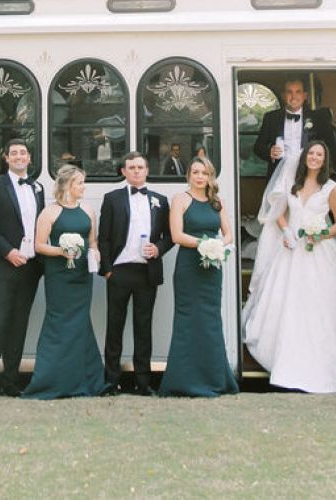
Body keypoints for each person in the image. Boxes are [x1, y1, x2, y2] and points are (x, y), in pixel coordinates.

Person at [244, 141, 336, 393]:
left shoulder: (331, 188)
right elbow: (279, 212)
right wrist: (287, 230)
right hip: (291, 251)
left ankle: (319, 365)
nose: (314, 158)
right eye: (311, 153)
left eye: (319, 154)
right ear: (304, 158)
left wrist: (320, 234)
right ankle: (286, 362)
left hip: (319, 253)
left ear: (325, 159)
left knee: (318, 307)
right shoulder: (294, 185)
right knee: (289, 305)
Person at [23, 165, 105, 399]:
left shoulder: (88, 210)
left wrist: (95, 253)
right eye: (80, 182)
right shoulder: (50, 212)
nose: (83, 186)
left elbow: (93, 242)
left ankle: (85, 379)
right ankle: (52, 379)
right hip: (59, 276)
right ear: (68, 185)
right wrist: (61, 251)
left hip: (81, 276)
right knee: (59, 323)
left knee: (80, 323)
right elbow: (39, 245)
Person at [160, 157, 238, 397]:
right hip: (189, 268)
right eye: (195, 172)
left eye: (204, 172)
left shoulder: (217, 202)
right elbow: (176, 235)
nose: (199, 176)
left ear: (210, 176)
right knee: (187, 320)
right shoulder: (181, 200)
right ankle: (183, 380)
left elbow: (228, 235)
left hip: (212, 269)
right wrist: (204, 244)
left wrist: (217, 245)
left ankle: (215, 378)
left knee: (210, 320)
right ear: (189, 175)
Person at [0, 139, 45, 401]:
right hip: (2, 267)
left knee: (18, 327)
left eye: (23, 153)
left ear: (29, 158)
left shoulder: (37, 188)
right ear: (6, 158)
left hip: (30, 268)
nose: (18, 157)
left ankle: (11, 382)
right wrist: (8, 252)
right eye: (13, 153)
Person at [98, 151, 172, 396]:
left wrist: (158, 248)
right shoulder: (112, 199)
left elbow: (170, 236)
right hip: (119, 272)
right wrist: (108, 270)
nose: (136, 171)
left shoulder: (160, 200)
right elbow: (104, 238)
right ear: (124, 172)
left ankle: (143, 383)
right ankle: (111, 382)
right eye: (131, 168)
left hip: (146, 273)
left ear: (147, 170)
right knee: (114, 327)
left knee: (144, 327)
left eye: (140, 167)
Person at [252, 77, 336, 182]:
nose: (294, 96)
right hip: (280, 176)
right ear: (283, 95)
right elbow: (258, 147)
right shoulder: (271, 118)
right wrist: (269, 152)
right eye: (289, 92)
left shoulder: (318, 118)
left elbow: (331, 148)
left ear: (305, 96)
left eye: (298, 92)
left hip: (309, 175)